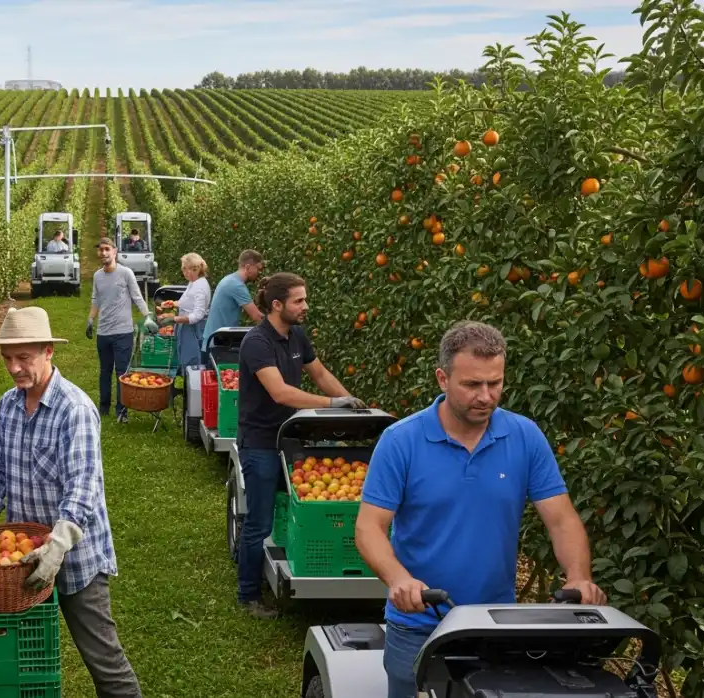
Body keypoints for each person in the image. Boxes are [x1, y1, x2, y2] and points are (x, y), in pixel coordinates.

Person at [354, 320, 606, 698]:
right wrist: (398, 579)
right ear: (443, 378)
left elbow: (561, 519)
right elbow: (369, 528)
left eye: (495, 383)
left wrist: (578, 575)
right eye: (472, 384)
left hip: (494, 621)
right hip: (420, 620)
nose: (486, 396)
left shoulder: (524, 436)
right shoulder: (401, 441)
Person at [0, 307, 142, 698]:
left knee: (104, 662)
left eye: (24, 358)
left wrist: (57, 545)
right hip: (20, 561)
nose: (15, 368)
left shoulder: (75, 409)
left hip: (73, 556)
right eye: (7, 359)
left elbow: (83, 488)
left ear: (48, 351)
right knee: (27, 662)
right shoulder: (8, 405)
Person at [236, 273, 364, 619]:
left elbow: (320, 374)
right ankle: (248, 595)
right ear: (277, 305)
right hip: (261, 441)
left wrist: (351, 400)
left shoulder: (297, 336)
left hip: (290, 438)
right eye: (299, 301)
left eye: (305, 299)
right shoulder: (257, 342)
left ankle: (271, 561)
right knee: (259, 521)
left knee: (293, 504)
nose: (306, 306)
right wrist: (330, 405)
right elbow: (281, 393)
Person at [88, 237, 157, 424]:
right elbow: (96, 300)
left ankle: (122, 411)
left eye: (106, 249)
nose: (103, 253)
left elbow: (137, 296)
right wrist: (90, 320)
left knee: (122, 373)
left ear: (115, 251)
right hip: (103, 332)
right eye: (100, 250)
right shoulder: (97, 276)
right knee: (104, 371)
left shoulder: (126, 273)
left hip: (122, 332)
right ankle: (103, 408)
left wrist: (147, 316)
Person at [202, 249, 265, 359]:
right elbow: (257, 317)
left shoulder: (229, 279)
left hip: (213, 341)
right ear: (248, 267)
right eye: (258, 269)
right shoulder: (237, 286)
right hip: (217, 344)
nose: (259, 273)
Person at [159, 253, 211, 371]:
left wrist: (175, 319)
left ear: (199, 268)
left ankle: (192, 387)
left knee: (192, 364)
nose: (187, 273)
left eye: (192, 269)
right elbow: (187, 301)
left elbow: (198, 315)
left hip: (194, 330)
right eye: (184, 269)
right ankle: (186, 386)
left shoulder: (200, 286)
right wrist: (173, 303)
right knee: (185, 360)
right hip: (186, 328)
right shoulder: (193, 282)